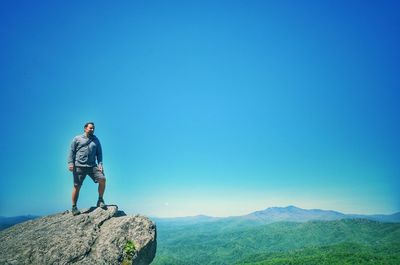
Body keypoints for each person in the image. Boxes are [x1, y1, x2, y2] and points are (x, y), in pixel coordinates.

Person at [67, 122, 107, 216]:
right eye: (90, 128)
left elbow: (99, 154)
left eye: (93, 128)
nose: (92, 130)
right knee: (77, 186)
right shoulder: (77, 138)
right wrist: (70, 163)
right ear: (85, 128)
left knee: (102, 179)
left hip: (92, 166)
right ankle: (74, 207)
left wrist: (100, 164)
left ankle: (100, 200)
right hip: (79, 166)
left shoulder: (96, 140)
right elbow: (71, 151)